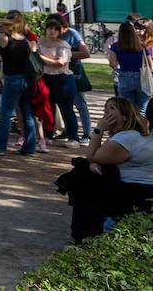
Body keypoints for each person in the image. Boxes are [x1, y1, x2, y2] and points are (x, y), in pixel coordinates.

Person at [58, 97, 153, 242]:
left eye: (112, 109)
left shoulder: (126, 139)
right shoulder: (129, 135)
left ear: (125, 116)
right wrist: (92, 163)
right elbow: (96, 159)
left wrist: (98, 130)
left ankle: (83, 237)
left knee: (82, 177)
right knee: (84, 173)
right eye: (105, 109)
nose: (106, 112)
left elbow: (92, 156)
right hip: (136, 188)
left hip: (138, 191)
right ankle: (84, 234)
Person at [0, 11, 37, 155]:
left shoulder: (5, 38)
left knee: (5, 113)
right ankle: (30, 147)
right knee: (27, 113)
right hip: (25, 79)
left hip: (12, 79)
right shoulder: (25, 40)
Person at [38, 18, 79, 145]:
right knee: (47, 108)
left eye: (56, 29)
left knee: (66, 109)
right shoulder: (39, 42)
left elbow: (60, 63)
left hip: (63, 79)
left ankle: (74, 138)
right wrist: (49, 60)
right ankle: (48, 135)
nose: (52, 31)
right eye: (50, 28)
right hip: (45, 77)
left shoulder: (63, 45)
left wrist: (40, 57)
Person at [55, 15, 93, 143]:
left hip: (74, 73)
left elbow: (86, 53)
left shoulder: (72, 33)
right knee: (64, 104)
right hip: (57, 73)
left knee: (80, 104)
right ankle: (70, 131)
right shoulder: (51, 35)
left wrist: (67, 55)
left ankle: (87, 134)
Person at [108, 21, 150, 113]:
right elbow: (151, 64)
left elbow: (112, 64)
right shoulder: (142, 46)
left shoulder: (116, 46)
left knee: (127, 110)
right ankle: (142, 127)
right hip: (141, 78)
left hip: (124, 77)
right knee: (142, 110)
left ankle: (130, 127)